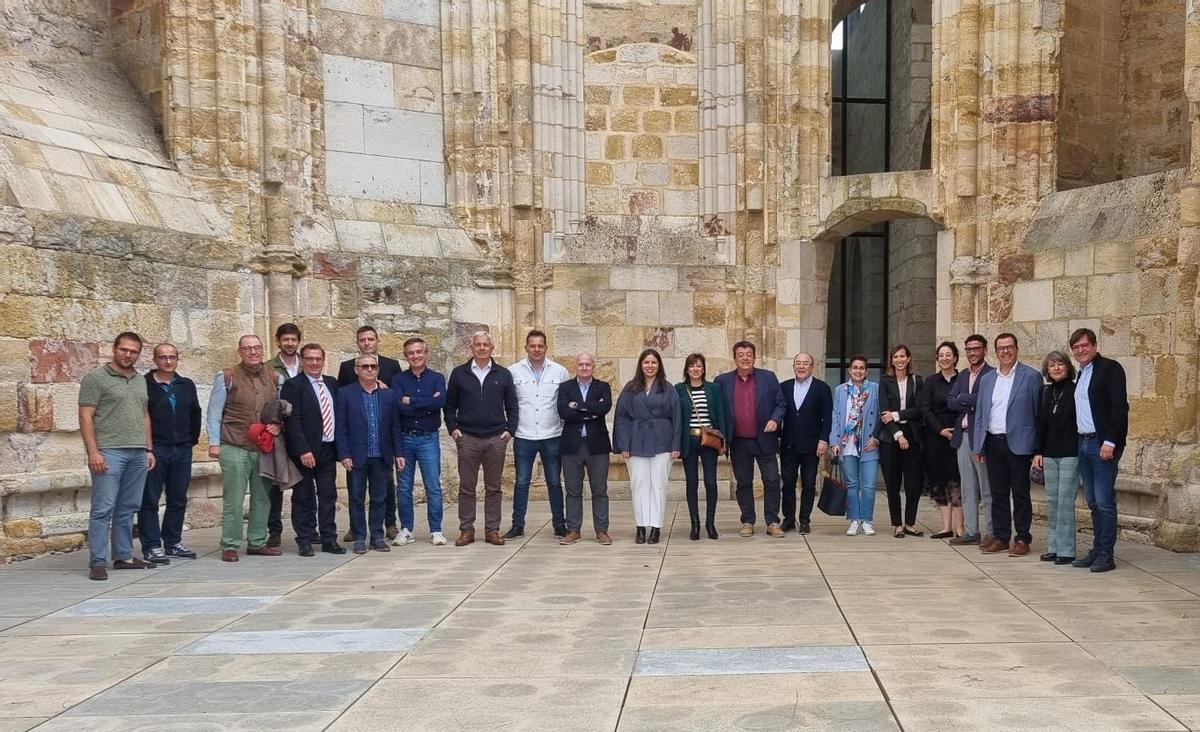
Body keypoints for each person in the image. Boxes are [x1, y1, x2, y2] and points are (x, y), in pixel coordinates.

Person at [79, 332, 157, 580]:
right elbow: (85, 416)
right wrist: (93, 451)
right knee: (103, 507)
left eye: (133, 351)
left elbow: (144, 414)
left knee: (128, 506)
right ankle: (98, 561)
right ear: (114, 349)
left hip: (137, 451)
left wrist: (148, 448)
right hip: (109, 451)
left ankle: (123, 555)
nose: (128, 355)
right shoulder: (96, 378)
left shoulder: (139, 380)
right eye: (124, 350)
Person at [208, 334, 286, 562]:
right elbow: (214, 413)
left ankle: (257, 541)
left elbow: (279, 410)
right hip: (234, 445)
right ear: (240, 352)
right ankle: (230, 544)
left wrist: (277, 425)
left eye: (257, 348)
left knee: (262, 497)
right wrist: (214, 443)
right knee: (234, 497)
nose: (253, 352)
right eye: (247, 348)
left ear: (263, 350)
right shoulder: (226, 377)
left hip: (263, 446)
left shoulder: (275, 377)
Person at [444, 331, 519, 547]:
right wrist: (453, 429)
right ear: (472, 348)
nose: (482, 348)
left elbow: (512, 406)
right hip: (467, 438)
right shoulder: (460, 374)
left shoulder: (503, 374)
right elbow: (450, 406)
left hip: (496, 438)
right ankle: (466, 530)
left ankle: (492, 530)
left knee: (493, 487)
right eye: (478, 345)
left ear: (492, 348)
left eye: (486, 344)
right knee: (467, 487)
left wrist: (509, 431)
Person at [972, 333, 1041, 557]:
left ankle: (1022, 538)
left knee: (1020, 493)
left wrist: (1038, 448)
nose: (1005, 352)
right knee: (997, 493)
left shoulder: (1030, 376)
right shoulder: (987, 379)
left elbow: (1038, 414)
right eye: (1001, 348)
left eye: (1009, 347)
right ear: (996, 351)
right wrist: (979, 445)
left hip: (1020, 444)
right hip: (993, 441)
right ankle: (1001, 537)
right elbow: (982, 414)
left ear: (1017, 348)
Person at [1069, 328, 1128, 573]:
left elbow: (1118, 407)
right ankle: (1097, 549)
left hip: (1101, 444)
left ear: (1094, 346)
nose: (1080, 350)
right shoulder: (1081, 375)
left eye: (1084, 346)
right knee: (1092, 501)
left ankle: (1106, 554)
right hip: (1083, 443)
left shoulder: (1110, 369)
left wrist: (1111, 441)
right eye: (1076, 348)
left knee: (1104, 501)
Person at [715, 341, 787, 538]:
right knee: (743, 482)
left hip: (764, 439)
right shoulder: (722, 381)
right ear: (735, 358)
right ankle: (747, 520)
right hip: (738, 442)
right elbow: (717, 411)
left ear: (754, 357)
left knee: (772, 480)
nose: (745, 358)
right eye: (741, 354)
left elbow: (781, 404)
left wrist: (775, 419)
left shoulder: (768, 378)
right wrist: (719, 439)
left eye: (749, 354)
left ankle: (772, 521)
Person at [138, 342, 202, 565]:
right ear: (155, 360)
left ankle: (173, 541)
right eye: (163, 357)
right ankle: (152, 545)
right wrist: (147, 447)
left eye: (172, 357)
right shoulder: (144, 384)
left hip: (182, 448)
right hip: (156, 448)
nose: (167, 361)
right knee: (150, 499)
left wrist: (190, 440)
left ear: (177, 359)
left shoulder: (186, 385)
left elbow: (195, 413)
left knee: (178, 498)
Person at [280, 343, 346, 556]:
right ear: (303, 360)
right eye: (310, 359)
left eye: (318, 359)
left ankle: (329, 538)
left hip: (328, 448)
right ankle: (305, 539)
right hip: (305, 452)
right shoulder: (293, 385)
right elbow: (293, 421)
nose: (315, 363)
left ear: (323, 360)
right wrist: (303, 450)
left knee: (328, 496)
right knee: (304, 496)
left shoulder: (332, 383)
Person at [335, 353, 405, 554]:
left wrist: (398, 453)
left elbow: (395, 427)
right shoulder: (346, 394)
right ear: (356, 370)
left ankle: (376, 536)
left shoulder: (388, 395)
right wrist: (344, 454)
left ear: (378, 369)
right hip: (357, 456)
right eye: (364, 366)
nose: (369, 370)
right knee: (356, 498)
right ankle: (359, 537)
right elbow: (341, 427)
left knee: (379, 498)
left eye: (373, 366)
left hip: (381, 455)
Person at [506, 330, 570, 539]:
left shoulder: (559, 372)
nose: (536, 349)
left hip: (552, 434)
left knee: (553, 481)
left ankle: (559, 524)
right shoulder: (514, 371)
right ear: (526, 348)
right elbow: (508, 403)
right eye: (532, 346)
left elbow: (564, 403)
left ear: (546, 348)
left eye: (540, 346)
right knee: (522, 481)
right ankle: (518, 525)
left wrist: (561, 428)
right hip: (524, 434)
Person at [613, 349, 681, 545]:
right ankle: (641, 526)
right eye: (646, 362)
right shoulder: (630, 388)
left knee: (659, 484)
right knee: (639, 484)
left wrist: (675, 445)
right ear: (640, 365)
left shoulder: (668, 389)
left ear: (659, 365)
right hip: (636, 441)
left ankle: (656, 527)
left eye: (653, 362)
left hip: (662, 441)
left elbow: (677, 418)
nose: (650, 366)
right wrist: (623, 444)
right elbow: (621, 417)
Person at [394, 337, 448, 546]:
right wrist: (427, 402)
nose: (415, 356)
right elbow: (399, 407)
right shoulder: (399, 379)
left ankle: (436, 530)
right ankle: (406, 529)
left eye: (419, 352)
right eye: (411, 353)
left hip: (428, 438)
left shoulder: (436, 378)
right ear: (406, 356)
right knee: (404, 486)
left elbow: (440, 402)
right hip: (405, 437)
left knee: (433, 485)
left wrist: (412, 400)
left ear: (426, 354)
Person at [557, 352, 614, 545]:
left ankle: (602, 530)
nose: (584, 367)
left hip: (596, 446)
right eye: (580, 364)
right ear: (575, 366)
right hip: (572, 445)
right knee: (573, 490)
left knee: (599, 489)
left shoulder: (603, 387)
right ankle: (573, 529)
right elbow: (563, 411)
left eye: (587, 364)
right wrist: (590, 410)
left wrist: (577, 407)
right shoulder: (565, 387)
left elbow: (604, 408)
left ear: (593, 366)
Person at [946, 334, 994, 546]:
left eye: (976, 349)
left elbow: (986, 401)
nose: (972, 353)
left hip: (980, 436)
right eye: (969, 349)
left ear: (984, 350)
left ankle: (991, 532)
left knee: (986, 487)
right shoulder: (962, 375)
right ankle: (971, 531)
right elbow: (950, 401)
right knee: (967, 487)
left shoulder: (991, 374)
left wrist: (964, 399)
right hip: (962, 437)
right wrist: (971, 402)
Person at [1032, 350, 1078, 565]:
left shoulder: (1076, 390)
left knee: (1065, 501)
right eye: (1052, 365)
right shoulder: (1046, 392)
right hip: (1049, 453)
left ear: (1067, 367)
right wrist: (1038, 452)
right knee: (1052, 501)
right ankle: (1053, 546)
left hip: (1070, 453)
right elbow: (1040, 424)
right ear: (1047, 370)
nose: (1056, 368)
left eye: (1060, 364)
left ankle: (1067, 550)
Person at [778, 352, 832, 535]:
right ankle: (788, 519)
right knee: (787, 483)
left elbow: (828, 417)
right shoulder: (783, 387)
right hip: (788, 445)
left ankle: (804, 520)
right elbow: (778, 413)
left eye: (805, 363)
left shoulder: (822, 388)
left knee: (809, 483)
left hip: (812, 445)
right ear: (793, 366)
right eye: (798, 363)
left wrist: (824, 439)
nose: (801, 367)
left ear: (812, 366)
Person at [676, 353, 727, 540]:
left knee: (711, 483)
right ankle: (695, 524)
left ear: (704, 369)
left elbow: (721, 414)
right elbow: (677, 418)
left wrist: (724, 440)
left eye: (699, 366)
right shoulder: (679, 389)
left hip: (709, 440)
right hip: (689, 440)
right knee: (691, 482)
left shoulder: (714, 389)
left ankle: (710, 523)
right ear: (687, 369)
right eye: (692, 366)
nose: (695, 369)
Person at [877, 344, 925, 539]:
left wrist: (896, 414)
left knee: (914, 483)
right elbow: (883, 413)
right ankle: (897, 524)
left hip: (913, 435)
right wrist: (898, 435)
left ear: (909, 358)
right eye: (896, 357)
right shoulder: (885, 382)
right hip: (891, 438)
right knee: (893, 483)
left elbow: (920, 409)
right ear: (892, 360)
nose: (899, 360)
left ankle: (910, 523)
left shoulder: (918, 381)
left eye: (902, 356)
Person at [829, 355, 881, 537]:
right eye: (855, 368)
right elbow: (835, 416)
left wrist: (876, 437)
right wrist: (834, 442)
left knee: (868, 485)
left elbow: (881, 416)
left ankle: (866, 520)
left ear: (866, 371)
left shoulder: (875, 389)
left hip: (868, 444)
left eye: (861, 368)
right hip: (847, 443)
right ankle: (854, 519)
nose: (858, 371)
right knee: (852, 484)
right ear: (850, 371)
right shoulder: (840, 390)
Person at [264, 322, 303, 548]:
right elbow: (269, 401)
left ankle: (306, 528)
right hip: (278, 432)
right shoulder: (269, 368)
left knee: (304, 485)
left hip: (300, 432)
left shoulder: (306, 364)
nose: (290, 343)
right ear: (278, 341)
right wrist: (276, 423)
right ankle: (274, 530)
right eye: (286, 339)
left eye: (293, 339)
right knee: (275, 485)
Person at [918, 341, 962, 540]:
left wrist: (956, 429)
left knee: (957, 479)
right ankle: (946, 526)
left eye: (948, 354)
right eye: (941, 355)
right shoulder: (931, 382)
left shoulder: (963, 379)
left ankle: (960, 527)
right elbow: (925, 409)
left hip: (959, 434)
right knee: (938, 479)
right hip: (935, 436)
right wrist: (940, 430)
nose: (944, 358)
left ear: (955, 357)